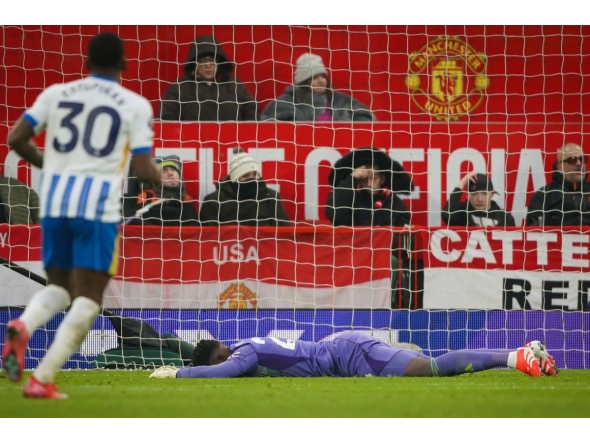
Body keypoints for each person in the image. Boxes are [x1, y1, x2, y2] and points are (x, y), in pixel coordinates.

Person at [2, 32, 161, 399]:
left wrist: (51, 166)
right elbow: (141, 167)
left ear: (85, 63)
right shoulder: (134, 104)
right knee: (88, 299)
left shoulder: (56, 93)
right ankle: (42, 378)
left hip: (55, 205)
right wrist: (163, 176)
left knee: (58, 287)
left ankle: (23, 325)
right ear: (124, 64)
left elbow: (15, 138)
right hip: (96, 210)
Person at [148, 332, 558, 379]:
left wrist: (178, 375)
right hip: (344, 350)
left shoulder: (244, 354)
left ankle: (516, 357)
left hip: (348, 355)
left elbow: (226, 373)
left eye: (218, 361)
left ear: (218, 357)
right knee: (426, 363)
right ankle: (527, 354)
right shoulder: (247, 347)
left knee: (428, 369)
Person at [325, 147, 413, 305]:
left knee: (392, 261)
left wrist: (380, 241)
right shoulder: (347, 197)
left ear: (383, 179)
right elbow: (333, 214)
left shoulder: (394, 203)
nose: (368, 182)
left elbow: (406, 243)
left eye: (374, 177)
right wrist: (352, 178)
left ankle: (383, 308)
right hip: (348, 257)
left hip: (381, 261)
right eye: (364, 178)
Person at [159, 35, 257, 122]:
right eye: (202, 61)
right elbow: (166, 121)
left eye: (211, 60)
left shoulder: (235, 87)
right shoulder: (179, 89)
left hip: (232, 141)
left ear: (219, 62)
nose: (208, 65)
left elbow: (252, 118)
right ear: (194, 64)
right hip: (190, 141)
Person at [260, 53, 374, 122]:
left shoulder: (343, 102)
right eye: (314, 78)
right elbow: (269, 129)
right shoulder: (283, 104)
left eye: (322, 76)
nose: (321, 81)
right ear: (304, 81)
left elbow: (368, 120)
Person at [199, 148, 290, 226]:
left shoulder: (270, 198)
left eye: (255, 174)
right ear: (235, 178)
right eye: (246, 175)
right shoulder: (214, 201)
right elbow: (207, 239)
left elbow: (283, 235)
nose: (252, 178)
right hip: (227, 247)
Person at [122, 155, 199, 226]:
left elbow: (192, 222)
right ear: (156, 179)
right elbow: (139, 220)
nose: (170, 173)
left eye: (173, 170)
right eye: (164, 171)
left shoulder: (186, 198)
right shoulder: (146, 196)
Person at [526, 143, 590, 227]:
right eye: (572, 160)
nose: (579, 164)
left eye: (582, 159)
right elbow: (535, 235)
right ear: (559, 167)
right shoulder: (543, 196)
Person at [442, 171, 516, 227]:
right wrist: (461, 183)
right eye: (474, 194)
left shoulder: (504, 217)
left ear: (492, 194)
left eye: (484, 194)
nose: (480, 199)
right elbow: (447, 216)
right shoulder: (462, 214)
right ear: (468, 195)